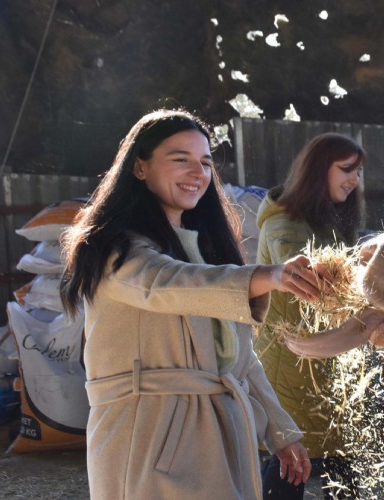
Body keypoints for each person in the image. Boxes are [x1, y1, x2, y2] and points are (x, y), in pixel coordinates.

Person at [60, 109, 318, 499]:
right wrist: (271, 275)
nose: (198, 172)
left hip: (219, 429)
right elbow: (164, 283)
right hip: (147, 434)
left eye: (205, 162)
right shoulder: (114, 248)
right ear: (140, 167)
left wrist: (280, 432)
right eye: (181, 159)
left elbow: (240, 359)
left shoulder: (206, 252)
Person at [255, 133, 384, 499]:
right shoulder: (283, 225)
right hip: (291, 365)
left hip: (326, 365)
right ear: (317, 171)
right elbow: (309, 274)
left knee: (336, 461)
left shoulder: (328, 216)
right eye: (346, 170)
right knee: (291, 462)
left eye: (358, 172)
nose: (354, 180)